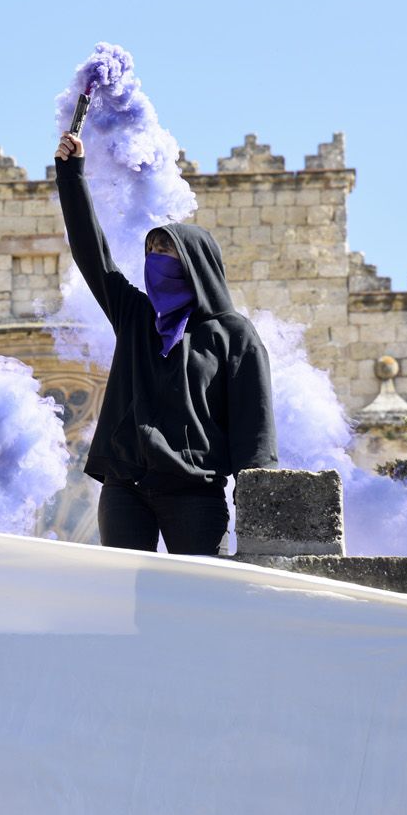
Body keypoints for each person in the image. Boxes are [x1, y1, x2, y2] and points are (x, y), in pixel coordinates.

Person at [53, 130, 277, 554]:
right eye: (151, 250)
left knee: (195, 604)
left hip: (193, 493)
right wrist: (70, 174)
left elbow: (256, 428)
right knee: (122, 600)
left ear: (197, 264)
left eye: (166, 251)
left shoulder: (233, 334)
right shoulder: (136, 317)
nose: (155, 259)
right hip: (125, 489)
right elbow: (92, 253)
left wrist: (259, 499)